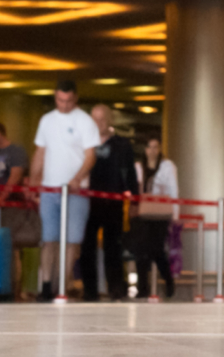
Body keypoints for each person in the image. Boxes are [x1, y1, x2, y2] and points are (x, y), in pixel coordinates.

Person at [30, 79, 99, 300]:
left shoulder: (85, 121)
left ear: (75, 98)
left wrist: (77, 179)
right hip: (50, 189)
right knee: (49, 238)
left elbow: (90, 156)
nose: (64, 105)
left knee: (71, 241)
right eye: (60, 100)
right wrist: (33, 181)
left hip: (75, 192)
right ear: (55, 96)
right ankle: (46, 284)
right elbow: (40, 153)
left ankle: (62, 284)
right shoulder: (47, 121)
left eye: (68, 101)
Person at [84, 104, 139, 300]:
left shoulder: (121, 145)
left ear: (110, 120)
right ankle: (89, 290)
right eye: (95, 119)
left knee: (113, 248)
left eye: (102, 119)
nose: (98, 123)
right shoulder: (84, 143)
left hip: (113, 201)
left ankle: (116, 287)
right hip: (88, 203)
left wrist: (135, 199)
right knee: (87, 248)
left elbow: (130, 174)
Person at [0, 121, 33, 299]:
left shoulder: (15, 152)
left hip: (11, 206)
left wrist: (2, 197)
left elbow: (15, 175)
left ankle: (13, 288)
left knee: (11, 247)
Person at [134, 135, 179, 300]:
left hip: (160, 214)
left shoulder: (167, 166)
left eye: (155, 147)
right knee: (141, 251)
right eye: (149, 147)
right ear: (145, 150)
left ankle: (168, 280)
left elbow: (173, 189)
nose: (152, 150)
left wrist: (175, 214)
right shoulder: (139, 167)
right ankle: (142, 288)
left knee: (157, 250)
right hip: (144, 214)